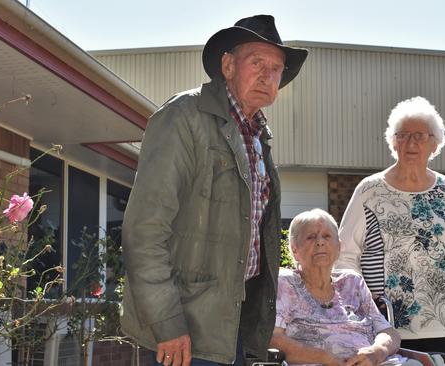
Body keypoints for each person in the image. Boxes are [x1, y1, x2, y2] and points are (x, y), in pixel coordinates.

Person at [120, 15, 308, 366]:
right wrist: (166, 321)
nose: (267, 76)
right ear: (227, 65)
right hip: (185, 331)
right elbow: (143, 230)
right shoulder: (183, 116)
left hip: (232, 324)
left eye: (276, 68)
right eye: (257, 63)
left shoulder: (257, 135)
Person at [336, 97, 445, 365]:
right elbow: (345, 256)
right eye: (402, 135)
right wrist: (362, 310)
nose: (411, 143)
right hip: (387, 330)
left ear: (434, 143)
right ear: (393, 142)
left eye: (419, 136)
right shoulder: (369, 191)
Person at [271, 209, 423, 366]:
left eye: (327, 236)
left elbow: (388, 332)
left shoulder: (352, 282)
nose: (320, 242)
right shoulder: (285, 283)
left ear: (339, 247)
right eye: (311, 237)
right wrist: (326, 358)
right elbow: (274, 339)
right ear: (295, 249)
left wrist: (377, 352)